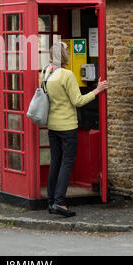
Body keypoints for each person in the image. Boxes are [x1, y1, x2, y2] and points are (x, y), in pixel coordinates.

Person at [41, 41, 108, 218]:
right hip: (67, 126)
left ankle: (51, 201)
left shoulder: (46, 72)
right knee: (67, 162)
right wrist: (97, 90)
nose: (69, 53)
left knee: (55, 162)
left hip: (52, 125)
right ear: (63, 55)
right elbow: (78, 101)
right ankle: (60, 202)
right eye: (67, 51)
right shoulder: (67, 74)